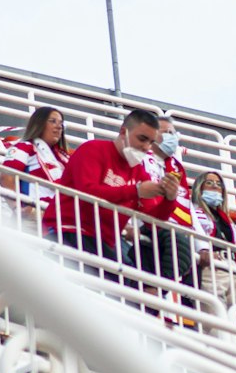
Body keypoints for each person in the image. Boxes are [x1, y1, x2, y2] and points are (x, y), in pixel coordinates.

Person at [42, 108, 179, 265]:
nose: (147, 147)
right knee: (124, 282)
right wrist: (136, 191)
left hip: (103, 242)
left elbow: (152, 221)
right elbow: (87, 192)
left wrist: (169, 199)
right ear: (123, 132)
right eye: (142, 139)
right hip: (68, 230)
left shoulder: (139, 172)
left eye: (151, 142)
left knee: (130, 282)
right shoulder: (92, 149)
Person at [136, 116, 196, 288]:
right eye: (166, 132)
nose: (171, 136)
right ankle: (158, 288)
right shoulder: (140, 158)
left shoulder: (177, 168)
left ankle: (161, 289)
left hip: (173, 230)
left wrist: (203, 247)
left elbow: (187, 208)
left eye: (173, 133)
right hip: (146, 225)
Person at [190, 171, 236, 307]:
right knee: (214, 312)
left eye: (218, 184)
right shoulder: (192, 211)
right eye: (209, 183)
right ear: (199, 188)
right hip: (212, 265)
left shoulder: (226, 219)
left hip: (234, 268)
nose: (215, 187)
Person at [1, 106, 71, 211]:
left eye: (61, 123)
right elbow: (6, 177)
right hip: (36, 213)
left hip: (60, 217)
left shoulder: (64, 157)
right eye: (53, 121)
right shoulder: (25, 146)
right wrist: (18, 208)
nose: (59, 127)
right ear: (39, 124)